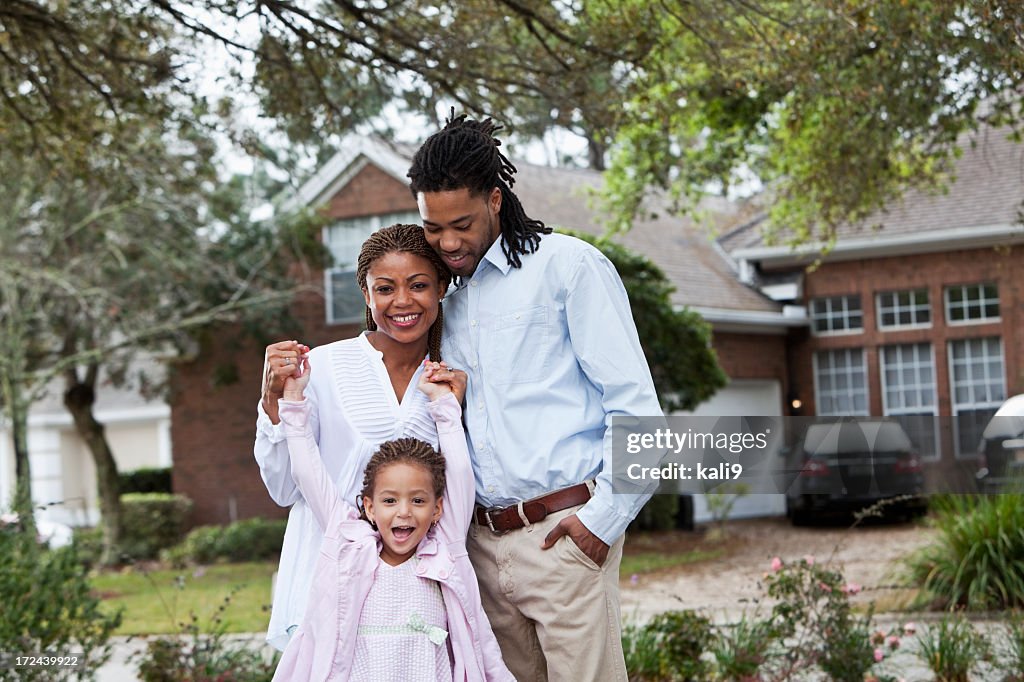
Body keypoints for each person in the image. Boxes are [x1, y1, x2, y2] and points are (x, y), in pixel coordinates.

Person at [407, 113, 665, 681]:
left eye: (462, 224)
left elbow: (638, 410)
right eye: (433, 228)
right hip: (478, 546)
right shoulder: (442, 296)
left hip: (563, 536)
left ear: (496, 201)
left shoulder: (567, 268)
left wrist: (601, 522)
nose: (448, 243)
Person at [254, 224, 456, 652]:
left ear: (441, 288)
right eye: (385, 288)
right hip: (327, 584)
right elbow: (284, 488)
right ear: (366, 295)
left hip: (413, 595)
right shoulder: (322, 368)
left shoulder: (449, 379)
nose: (402, 301)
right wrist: (273, 399)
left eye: (418, 285)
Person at [271, 356, 514, 681]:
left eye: (418, 500)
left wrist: (444, 405)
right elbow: (306, 472)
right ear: (369, 508)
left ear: (437, 509)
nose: (404, 511)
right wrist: (293, 401)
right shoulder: (348, 546)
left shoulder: (444, 550)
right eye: (389, 500)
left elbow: (459, 472)